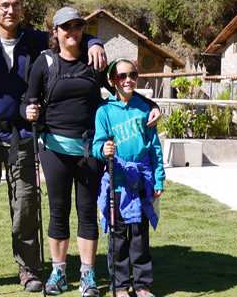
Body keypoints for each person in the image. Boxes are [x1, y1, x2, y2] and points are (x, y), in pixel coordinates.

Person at [0, 0, 108, 293]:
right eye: (4, 5)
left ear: (22, 8)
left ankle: (28, 268)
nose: (10, 10)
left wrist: (94, 41)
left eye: (15, 4)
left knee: (26, 205)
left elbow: (70, 35)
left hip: (22, 136)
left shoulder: (36, 41)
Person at [92, 59, 166, 297]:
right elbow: (96, 145)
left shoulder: (145, 109)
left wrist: (158, 179)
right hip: (117, 180)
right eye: (122, 76)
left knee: (139, 234)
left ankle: (142, 285)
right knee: (117, 235)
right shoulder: (104, 111)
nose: (128, 80)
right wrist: (103, 150)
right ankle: (121, 286)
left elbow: (154, 148)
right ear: (112, 81)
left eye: (132, 75)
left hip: (142, 181)